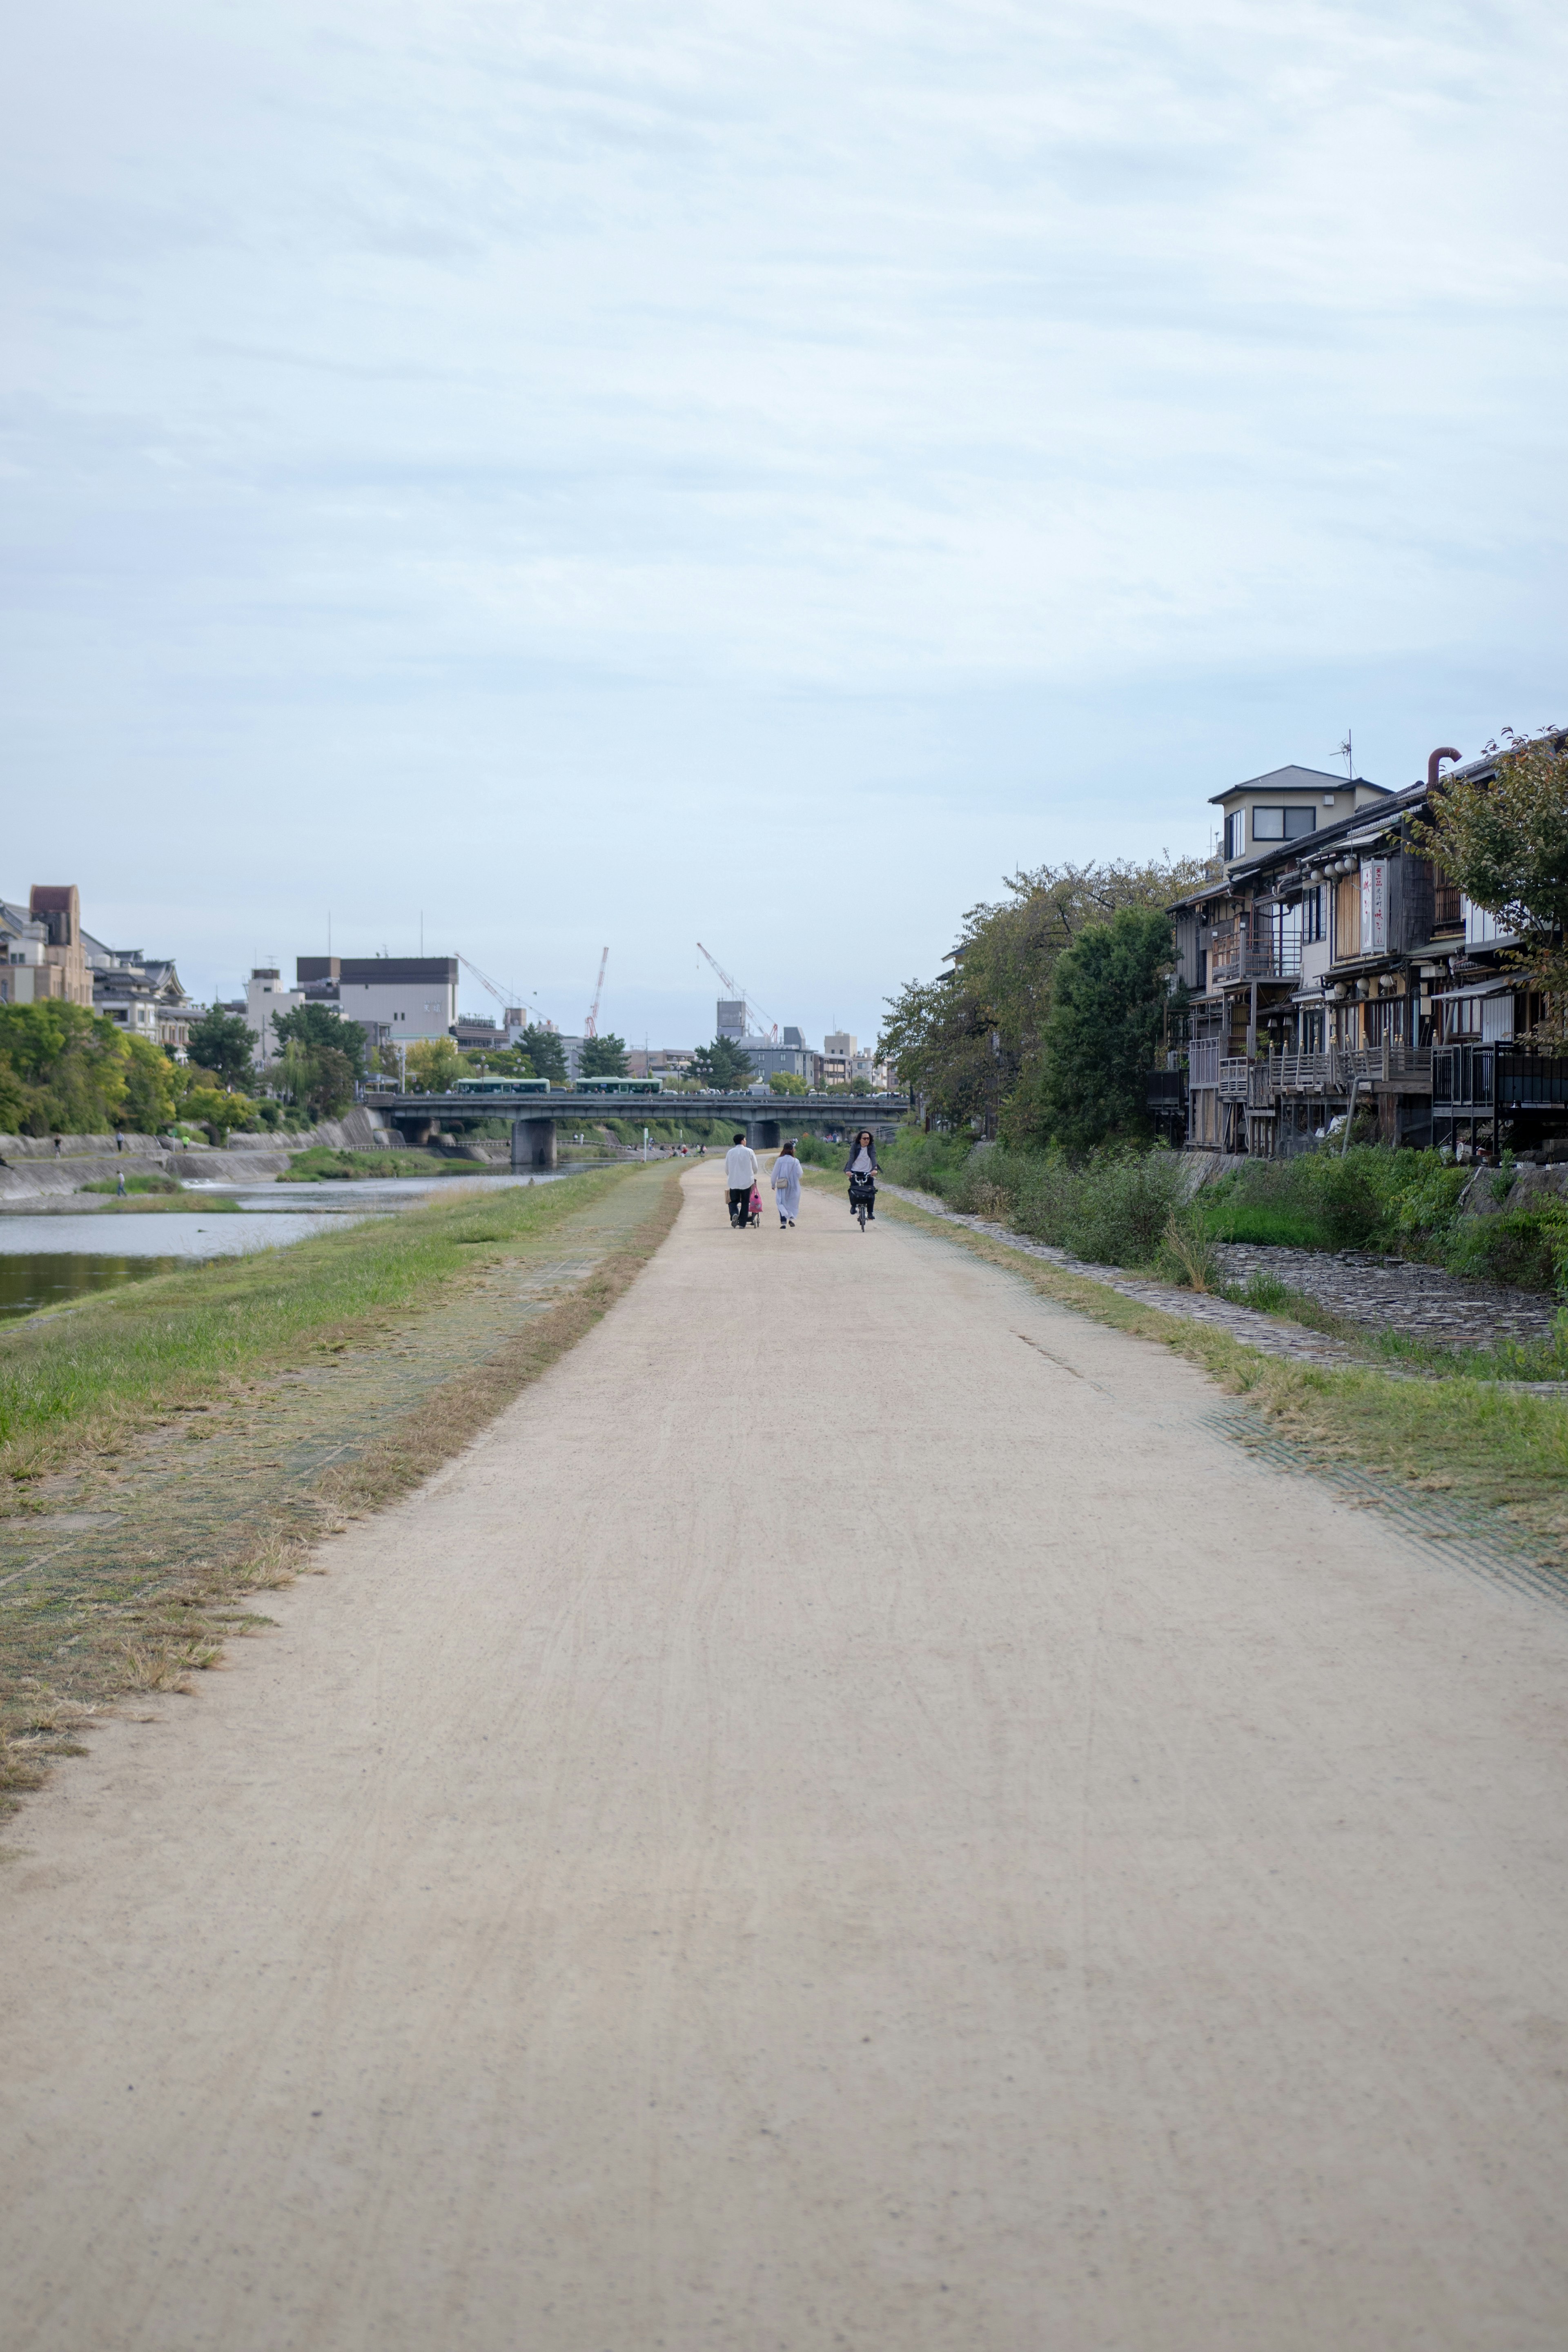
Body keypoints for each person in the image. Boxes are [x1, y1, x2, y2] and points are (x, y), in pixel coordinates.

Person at [724, 1131, 757, 1228]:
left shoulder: (730, 1153)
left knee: (733, 1201)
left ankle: (734, 1213)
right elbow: (755, 1167)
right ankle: (742, 1224)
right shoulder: (749, 1151)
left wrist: (731, 1176)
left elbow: (727, 1169)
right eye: (745, 1140)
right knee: (745, 1202)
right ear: (743, 1141)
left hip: (733, 1182)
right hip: (747, 1182)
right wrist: (753, 1174)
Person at [844, 1130, 878, 1220]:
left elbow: (874, 1157)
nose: (867, 1140)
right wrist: (848, 1171)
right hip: (855, 1171)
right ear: (860, 1139)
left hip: (869, 1172)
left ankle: (870, 1213)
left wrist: (875, 1169)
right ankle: (854, 1206)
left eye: (868, 1138)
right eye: (865, 1138)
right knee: (853, 1189)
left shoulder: (871, 1147)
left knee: (871, 1192)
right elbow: (851, 1158)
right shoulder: (855, 1147)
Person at [770, 1139, 802, 1228]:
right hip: (794, 1185)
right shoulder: (796, 1161)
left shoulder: (779, 1160)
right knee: (792, 1202)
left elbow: (774, 1174)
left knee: (781, 1202)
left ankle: (784, 1222)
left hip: (782, 1184)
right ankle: (791, 1219)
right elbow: (800, 1173)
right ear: (792, 1150)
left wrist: (773, 1184)